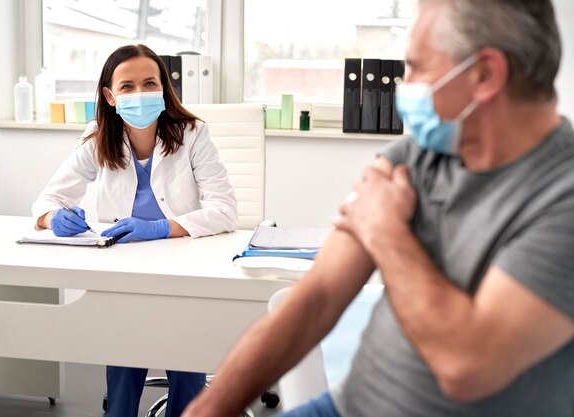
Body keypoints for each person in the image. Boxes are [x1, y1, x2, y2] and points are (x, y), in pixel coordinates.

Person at [182, 0, 574, 416]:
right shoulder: (418, 156)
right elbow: (317, 297)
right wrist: (208, 409)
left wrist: (386, 230)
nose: (404, 85)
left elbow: (466, 366)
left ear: (485, 75)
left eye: (418, 67)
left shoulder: (560, 197)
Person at [32, 44, 237, 417]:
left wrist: (161, 227)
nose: (139, 93)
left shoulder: (192, 134)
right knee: (125, 352)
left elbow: (224, 211)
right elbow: (48, 199)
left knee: (184, 356)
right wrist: (53, 219)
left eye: (149, 83)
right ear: (110, 96)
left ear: (164, 88)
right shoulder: (97, 137)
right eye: (127, 86)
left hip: (185, 267)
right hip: (125, 271)